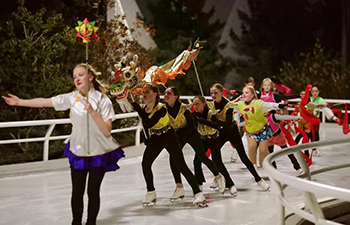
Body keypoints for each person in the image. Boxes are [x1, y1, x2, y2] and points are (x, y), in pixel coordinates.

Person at [2, 63, 125, 225]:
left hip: (99, 152)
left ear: (90, 77)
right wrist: (20, 102)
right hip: (78, 150)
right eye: (74, 76)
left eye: (80, 75)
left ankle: (91, 223)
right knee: (77, 192)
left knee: (93, 192)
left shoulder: (103, 100)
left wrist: (93, 113)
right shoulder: (72, 98)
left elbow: (107, 130)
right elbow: (46, 102)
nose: (77, 79)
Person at [131, 83, 207, 207]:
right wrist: (147, 138)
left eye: (147, 92)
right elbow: (145, 125)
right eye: (143, 92)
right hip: (156, 137)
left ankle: (198, 193)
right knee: (145, 163)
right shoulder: (145, 108)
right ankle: (151, 192)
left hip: (168, 136)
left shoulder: (162, 108)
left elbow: (149, 122)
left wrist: (139, 110)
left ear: (155, 94)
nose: (144, 94)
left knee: (181, 165)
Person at [163, 87, 225, 199]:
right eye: (165, 93)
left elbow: (191, 125)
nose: (166, 95)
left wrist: (178, 132)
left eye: (169, 93)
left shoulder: (184, 109)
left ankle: (219, 177)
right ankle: (179, 187)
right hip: (179, 137)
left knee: (202, 157)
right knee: (173, 159)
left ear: (175, 97)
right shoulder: (164, 109)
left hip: (192, 135)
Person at [208, 83, 270, 191]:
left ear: (222, 93)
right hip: (221, 133)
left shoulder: (229, 105)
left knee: (243, 157)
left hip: (232, 132)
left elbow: (226, 123)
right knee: (215, 156)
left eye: (215, 93)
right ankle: (219, 177)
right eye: (211, 93)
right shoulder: (211, 105)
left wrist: (213, 118)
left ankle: (258, 179)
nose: (213, 95)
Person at [192, 95, 238, 196]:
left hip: (214, 139)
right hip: (203, 139)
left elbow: (217, 126)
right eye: (194, 104)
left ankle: (230, 184)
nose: (195, 106)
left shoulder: (210, 113)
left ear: (203, 104)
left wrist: (202, 121)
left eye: (197, 104)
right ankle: (199, 184)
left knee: (218, 162)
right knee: (196, 161)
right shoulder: (193, 115)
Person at [235, 85, 286, 170]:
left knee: (263, 151)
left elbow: (269, 105)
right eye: (243, 92)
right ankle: (253, 168)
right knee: (251, 147)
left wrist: (278, 105)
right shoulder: (240, 104)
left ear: (252, 95)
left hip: (263, 130)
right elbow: (229, 106)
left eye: (246, 93)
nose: (243, 94)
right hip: (250, 131)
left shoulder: (258, 103)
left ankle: (266, 164)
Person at [259, 78, 302, 172]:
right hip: (266, 128)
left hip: (275, 124)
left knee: (285, 149)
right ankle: (274, 170)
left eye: (268, 85)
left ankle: (297, 166)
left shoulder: (274, 96)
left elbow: (288, 97)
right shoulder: (259, 96)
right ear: (262, 86)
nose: (266, 87)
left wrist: (299, 95)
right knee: (270, 152)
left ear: (271, 86)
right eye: (265, 85)